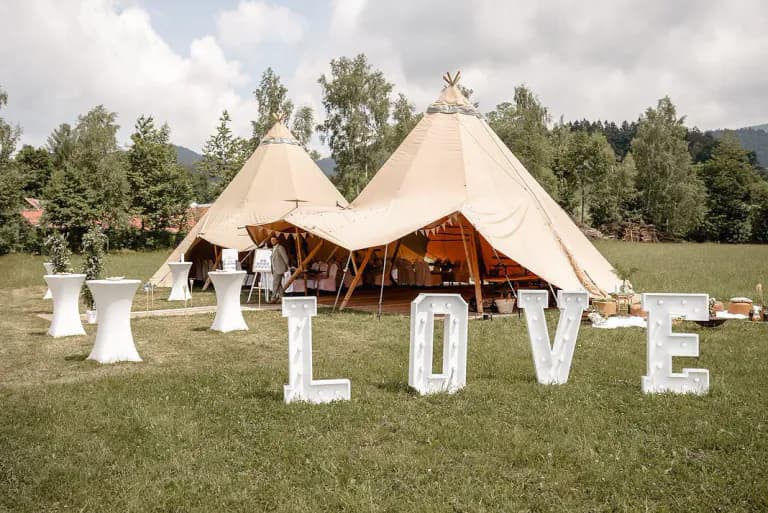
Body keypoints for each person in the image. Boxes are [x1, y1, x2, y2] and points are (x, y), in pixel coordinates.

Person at [269, 236, 290, 303]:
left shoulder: (280, 247)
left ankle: (273, 298)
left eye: (274, 240)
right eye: (271, 240)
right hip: (274, 269)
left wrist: (287, 266)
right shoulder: (273, 248)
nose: (272, 241)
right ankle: (282, 298)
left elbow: (285, 257)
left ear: (277, 240)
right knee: (278, 284)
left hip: (279, 268)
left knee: (275, 284)